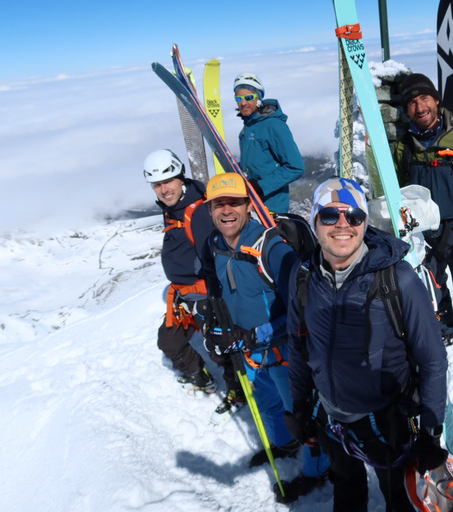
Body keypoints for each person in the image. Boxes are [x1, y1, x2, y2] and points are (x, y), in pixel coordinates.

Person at [286, 178, 449, 512]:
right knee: (346, 490)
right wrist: (301, 405)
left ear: (364, 223)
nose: (343, 224)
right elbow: (298, 344)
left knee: (398, 499)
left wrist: (430, 434)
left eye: (354, 216)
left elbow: (432, 361)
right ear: (315, 222)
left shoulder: (396, 279)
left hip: (387, 423)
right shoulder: (303, 275)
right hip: (331, 416)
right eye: (330, 215)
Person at [201, 173, 329, 503]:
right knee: (270, 408)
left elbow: (307, 309)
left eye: (234, 203)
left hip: (285, 353)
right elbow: (220, 293)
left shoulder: (271, 248)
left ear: (248, 206)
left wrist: (252, 334)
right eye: (218, 204)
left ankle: (318, 471)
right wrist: (214, 327)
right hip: (251, 354)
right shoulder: (214, 246)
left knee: (302, 417)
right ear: (210, 210)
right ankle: (284, 446)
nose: (226, 211)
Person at [393, 72, 453, 363]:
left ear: (436, 100)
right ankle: (446, 327)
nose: (419, 107)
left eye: (424, 98)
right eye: (411, 102)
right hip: (423, 236)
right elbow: (400, 191)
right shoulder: (405, 145)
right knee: (432, 289)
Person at [141, 149, 223, 395]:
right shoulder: (174, 208)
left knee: (221, 349)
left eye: (168, 182)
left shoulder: (197, 213)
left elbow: (215, 260)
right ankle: (201, 376)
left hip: (206, 296)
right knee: (169, 341)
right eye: (157, 185)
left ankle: (239, 391)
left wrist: (213, 304)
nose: (164, 190)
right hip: (184, 296)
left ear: (181, 178)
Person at [233, 72, 304, 213]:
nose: (243, 103)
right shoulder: (249, 126)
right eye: (238, 98)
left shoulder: (274, 126)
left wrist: (261, 186)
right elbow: (258, 163)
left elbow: (296, 167)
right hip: (252, 205)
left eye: (249, 97)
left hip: (271, 208)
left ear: (258, 98)